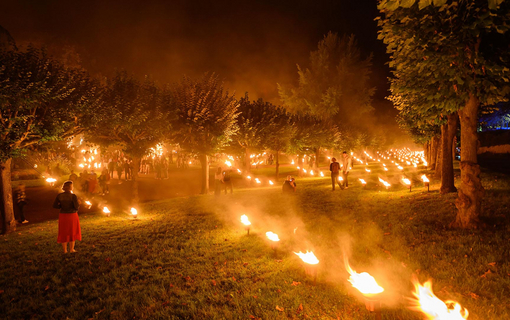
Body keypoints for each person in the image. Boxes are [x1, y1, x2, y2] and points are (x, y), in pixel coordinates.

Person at [53, 181, 81, 253]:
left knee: (64, 232)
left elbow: (55, 205)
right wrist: (78, 203)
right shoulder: (73, 196)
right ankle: (71, 249)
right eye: (72, 186)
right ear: (70, 187)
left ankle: (65, 250)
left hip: (63, 215)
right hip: (72, 215)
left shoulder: (59, 196)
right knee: (72, 231)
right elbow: (76, 207)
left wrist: (61, 206)